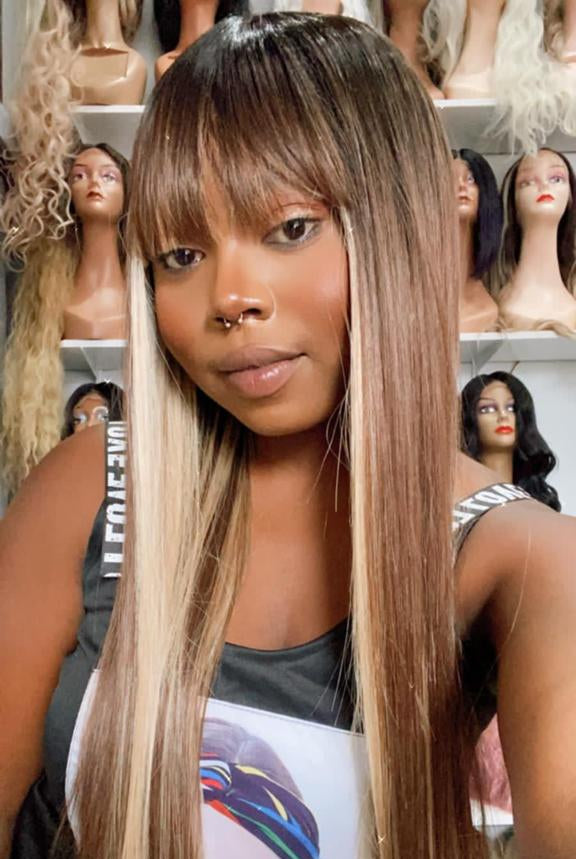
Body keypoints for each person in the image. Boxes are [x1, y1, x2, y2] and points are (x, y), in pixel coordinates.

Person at [1, 13, 576, 859]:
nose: (231, 297)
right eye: (181, 254)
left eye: (291, 228)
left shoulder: (520, 555)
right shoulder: (90, 489)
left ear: (398, 228)